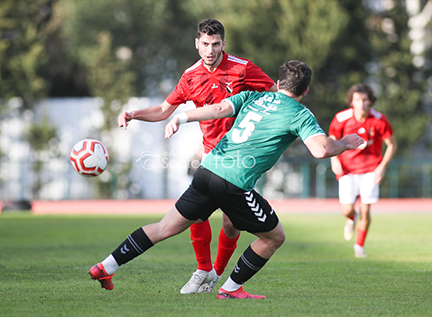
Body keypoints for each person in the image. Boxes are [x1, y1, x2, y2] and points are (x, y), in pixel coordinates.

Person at [89, 60, 365, 299]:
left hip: (207, 171)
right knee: (273, 237)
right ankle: (230, 288)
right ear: (305, 90)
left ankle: (106, 266)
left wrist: (181, 117)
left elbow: (218, 110)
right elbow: (321, 150)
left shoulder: (252, 97)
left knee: (164, 227)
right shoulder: (300, 113)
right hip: (233, 183)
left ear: (279, 82)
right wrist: (346, 142)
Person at [117, 19, 276, 294]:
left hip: (239, 157)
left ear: (223, 44)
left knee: (231, 221)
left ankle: (216, 273)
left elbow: (274, 94)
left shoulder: (243, 68)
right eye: (205, 44)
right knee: (196, 216)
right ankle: (203, 270)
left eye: (215, 44)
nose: (210, 50)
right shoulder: (190, 75)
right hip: (210, 156)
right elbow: (164, 110)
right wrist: (134, 114)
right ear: (196, 43)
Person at [329, 83, 397, 258]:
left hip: (370, 170)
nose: (361, 103)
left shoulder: (379, 120)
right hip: (347, 170)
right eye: (357, 99)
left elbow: (392, 145)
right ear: (351, 101)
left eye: (365, 99)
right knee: (346, 210)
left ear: (370, 101)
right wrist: (334, 159)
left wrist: (381, 168)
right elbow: (331, 139)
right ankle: (352, 218)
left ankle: (359, 247)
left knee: (366, 210)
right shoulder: (341, 118)